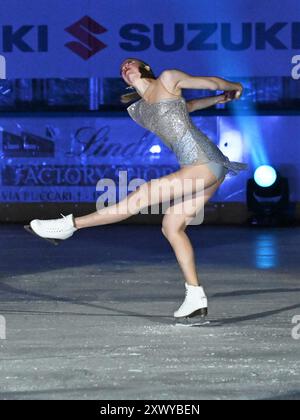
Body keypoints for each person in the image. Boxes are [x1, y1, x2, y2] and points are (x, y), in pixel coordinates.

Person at [24, 58, 248, 320]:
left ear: (145, 68)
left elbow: (211, 83)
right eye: (121, 67)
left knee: (141, 196)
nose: (125, 67)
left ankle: (69, 226)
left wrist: (233, 87)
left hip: (204, 162)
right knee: (172, 226)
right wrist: (216, 101)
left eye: (130, 63)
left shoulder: (168, 79)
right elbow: (186, 108)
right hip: (207, 168)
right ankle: (195, 295)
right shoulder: (139, 110)